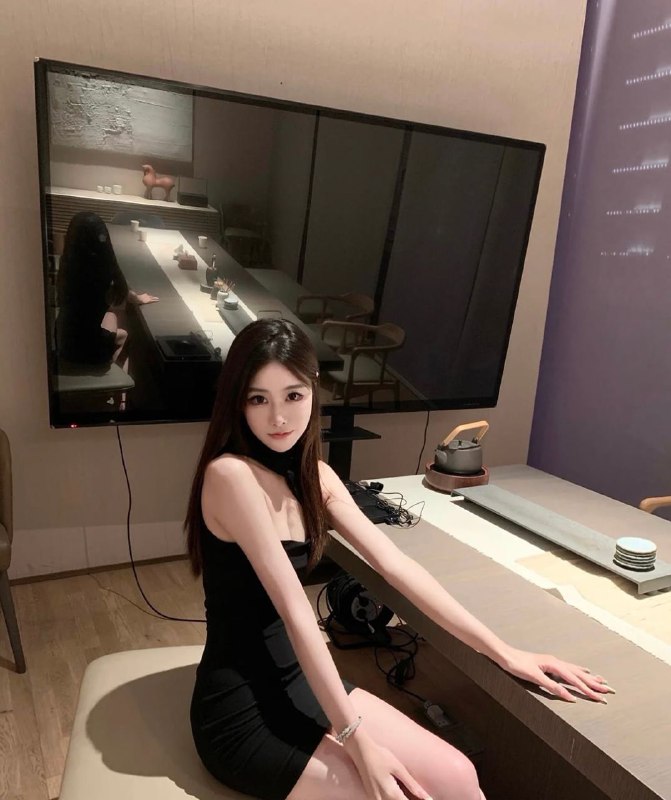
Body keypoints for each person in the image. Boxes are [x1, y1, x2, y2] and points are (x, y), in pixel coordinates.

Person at [185, 319, 613, 800]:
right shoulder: (231, 476)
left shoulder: (316, 476)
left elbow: (397, 566)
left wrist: (504, 651)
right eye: (258, 399)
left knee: (459, 777)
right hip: (241, 707)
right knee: (398, 794)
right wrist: (356, 740)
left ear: (314, 390)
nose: (279, 417)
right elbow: (295, 612)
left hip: (299, 677)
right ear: (237, 401)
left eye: (293, 395)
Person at [56, 211, 158, 365]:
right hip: (83, 349)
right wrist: (137, 298)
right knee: (124, 334)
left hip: (62, 339)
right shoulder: (102, 272)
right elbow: (122, 292)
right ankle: (116, 377)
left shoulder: (67, 264)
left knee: (111, 316)